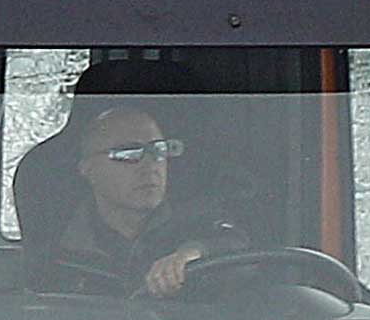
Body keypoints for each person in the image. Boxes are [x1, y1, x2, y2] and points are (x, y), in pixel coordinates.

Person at [15, 97, 227, 296]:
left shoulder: (202, 223)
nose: (150, 167)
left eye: (159, 150)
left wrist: (196, 253)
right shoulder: (58, 252)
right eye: (129, 154)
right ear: (88, 169)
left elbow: (244, 251)